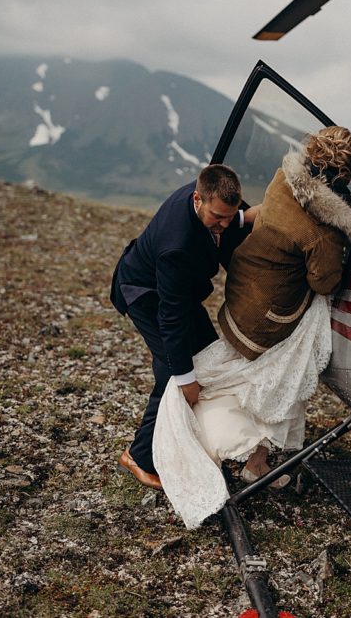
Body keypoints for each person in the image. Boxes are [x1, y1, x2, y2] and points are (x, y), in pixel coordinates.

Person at [151, 127, 351, 528]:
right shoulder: (321, 230)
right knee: (285, 377)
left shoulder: (283, 176)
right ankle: (247, 454)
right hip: (269, 318)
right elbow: (324, 282)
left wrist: (350, 155)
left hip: (242, 297)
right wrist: (344, 227)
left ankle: (257, 460)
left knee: (260, 377)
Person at [110, 164, 258, 490]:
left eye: (229, 216)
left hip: (179, 292)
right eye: (217, 217)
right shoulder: (176, 244)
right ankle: (137, 457)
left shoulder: (215, 194)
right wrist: (186, 378)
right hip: (146, 296)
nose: (223, 225)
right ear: (197, 199)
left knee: (209, 354)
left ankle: (193, 437)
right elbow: (171, 317)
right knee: (172, 375)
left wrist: (243, 219)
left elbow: (230, 220)